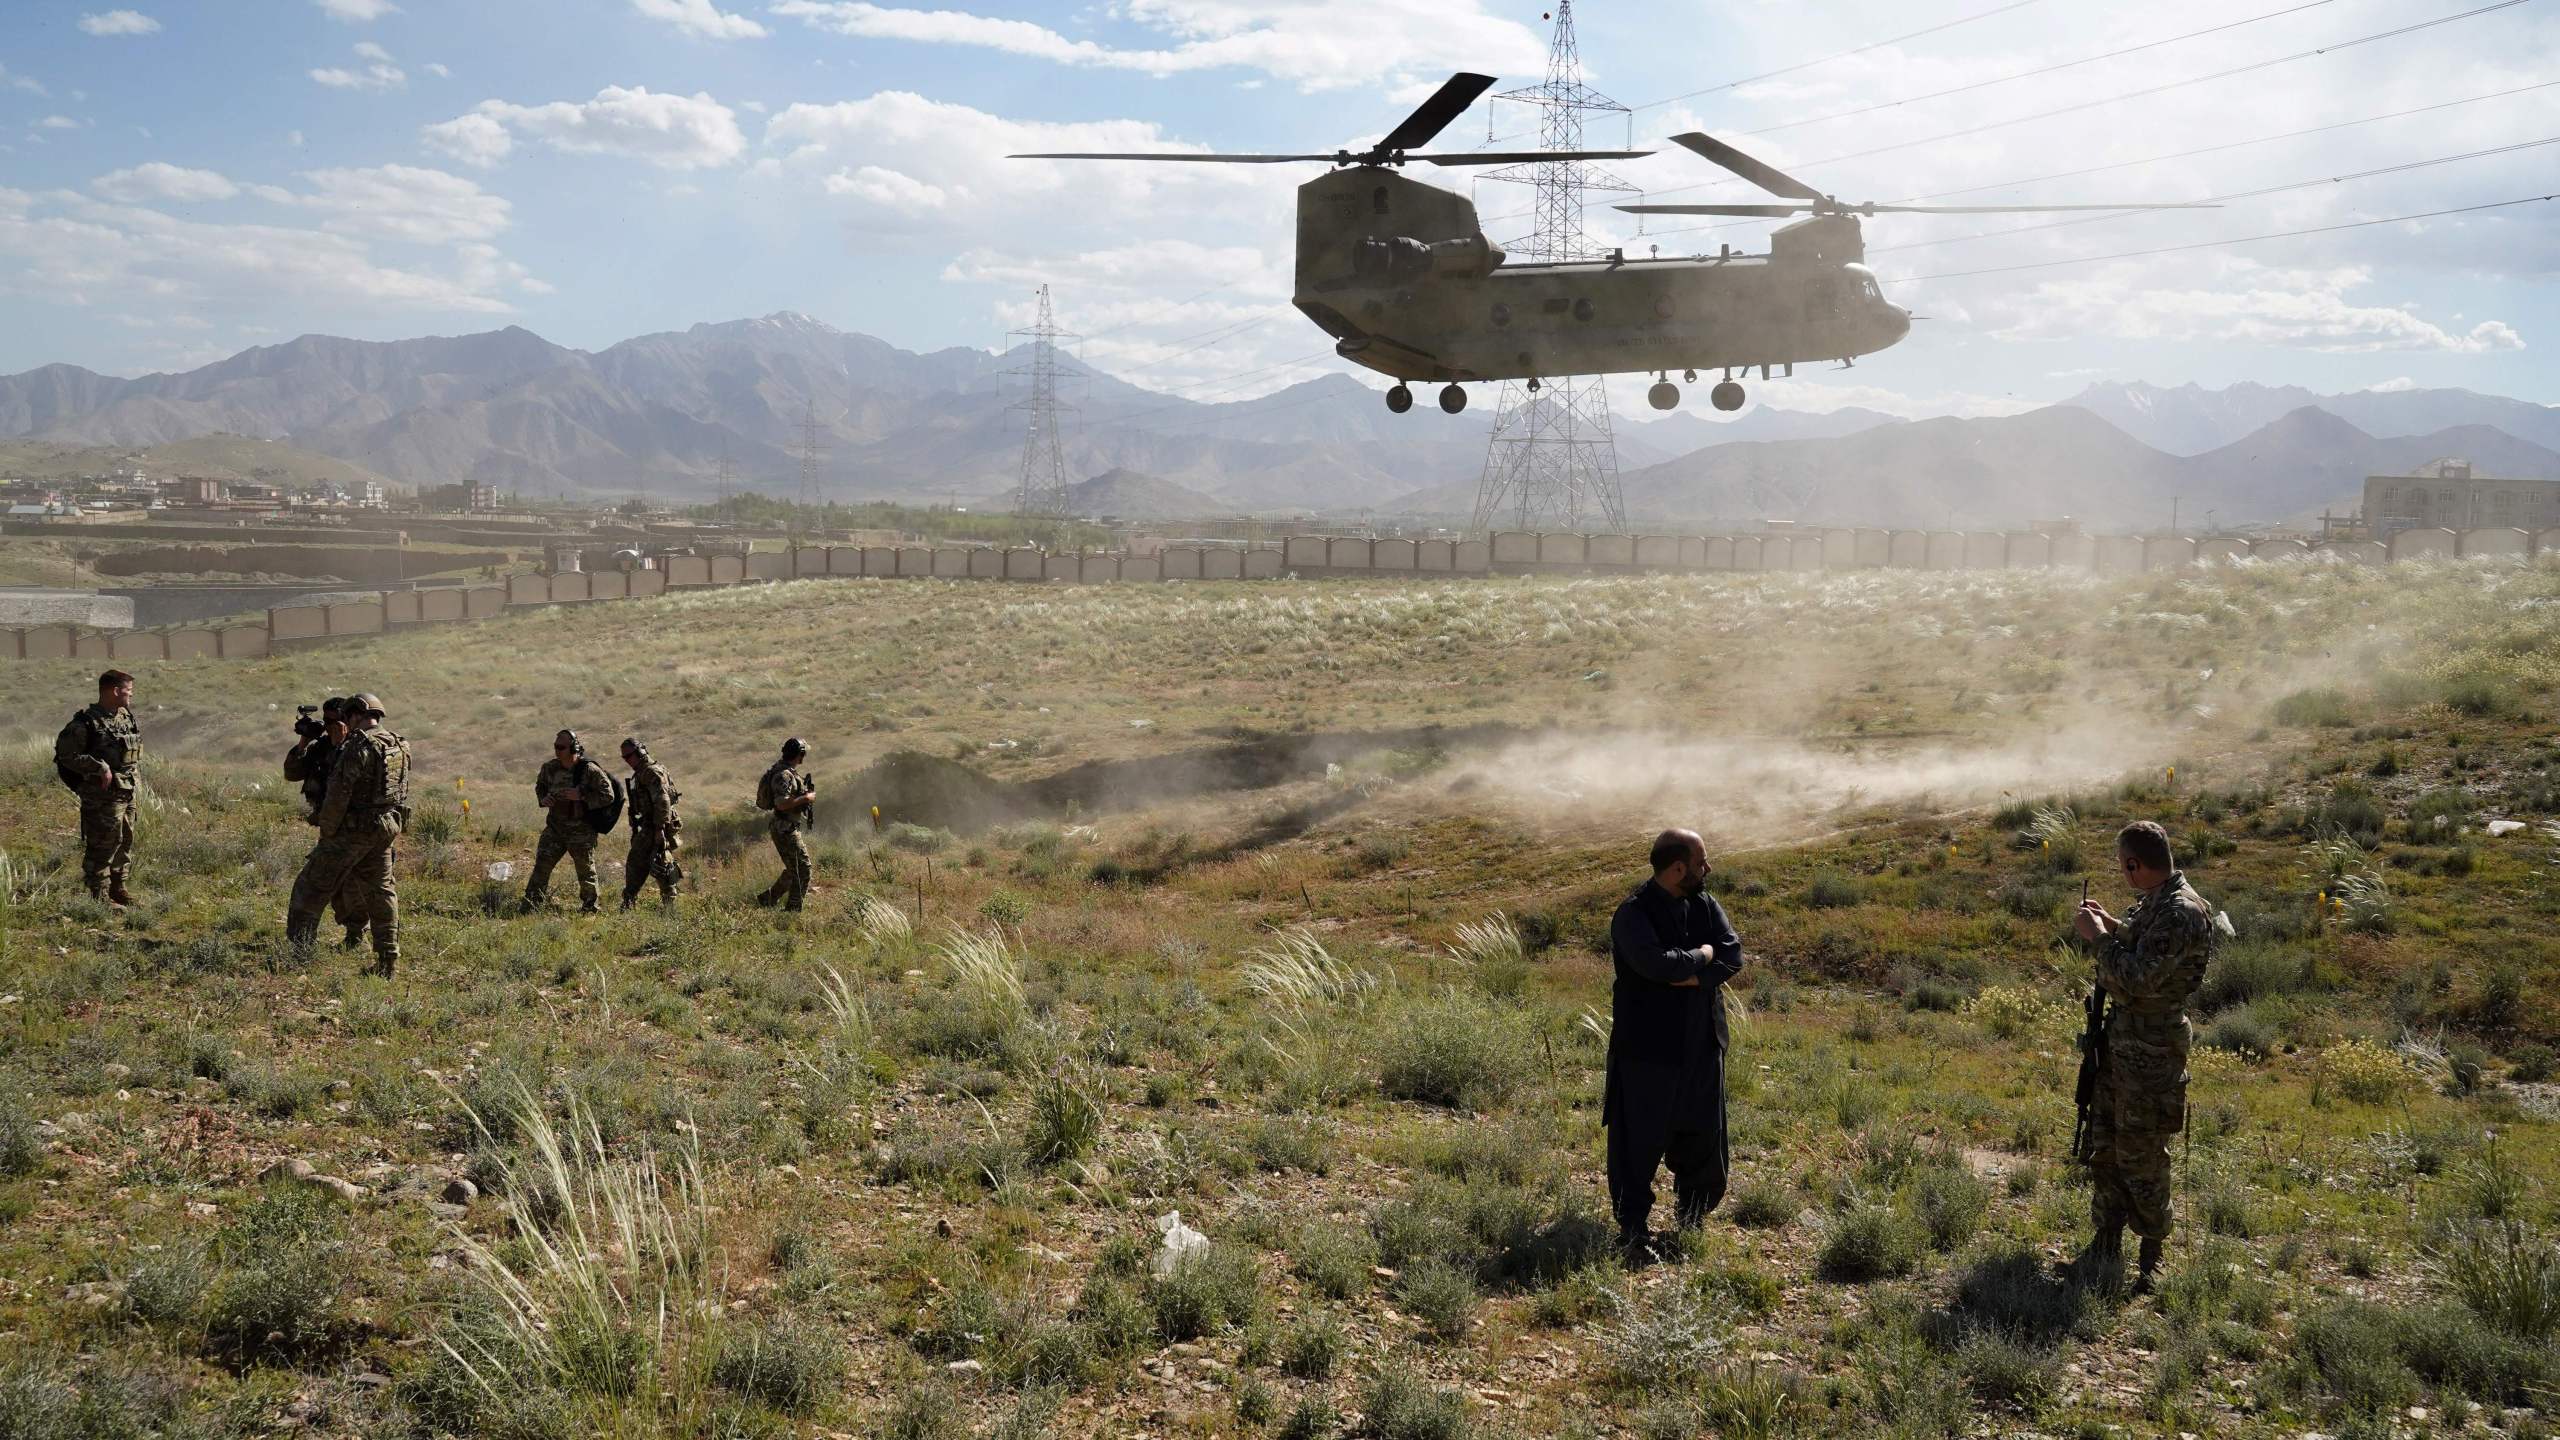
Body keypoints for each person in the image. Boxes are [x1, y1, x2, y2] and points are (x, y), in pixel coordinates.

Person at [2072, 820, 2217, 1294]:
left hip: (2152, 1050)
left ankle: (2152, 1256)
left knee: (2143, 1155)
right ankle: (2105, 1243)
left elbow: (2137, 978)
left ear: (2134, 865)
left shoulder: (2181, 912)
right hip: (2124, 1042)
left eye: (2123, 866)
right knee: (2108, 1143)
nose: (2122, 873)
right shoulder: (2162, 903)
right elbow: (2144, 944)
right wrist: (2114, 926)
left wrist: (2098, 940)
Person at [1605, 828, 1748, 1264]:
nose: (1708, 869)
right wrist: (1702, 958)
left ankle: (1692, 1217)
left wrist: (1687, 974)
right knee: (1639, 1141)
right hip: (1647, 1048)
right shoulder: (1633, 914)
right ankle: (1633, 1228)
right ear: (1677, 868)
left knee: (1703, 1135)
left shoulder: (1704, 902)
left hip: (1702, 1042)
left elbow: (1733, 954)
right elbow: (1655, 964)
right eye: (1701, 862)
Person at [286, 692, 409, 978]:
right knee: (382, 893)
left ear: (354, 714)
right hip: (383, 829)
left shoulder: (357, 745)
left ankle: (297, 957)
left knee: (309, 889)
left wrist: (328, 832)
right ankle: (387, 963)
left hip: (351, 831)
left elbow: (339, 794)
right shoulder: (398, 743)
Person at [284, 698, 369, 951]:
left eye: (338, 721)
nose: (333, 726)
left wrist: (341, 745)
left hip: (354, 829)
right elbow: (291, 773)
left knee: (347, 886)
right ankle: (311, 943)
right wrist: (304, 741)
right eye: (328, 721)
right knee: (339, 886)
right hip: (332, 829)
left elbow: (347, 783)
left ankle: (355, 937)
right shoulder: (322, 747)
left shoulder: (358, 747)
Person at [54, 669, 143, 905]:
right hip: (102, 796)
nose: (130, 696)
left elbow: (132, 756)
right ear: (115, 691)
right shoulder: (85, 723)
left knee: (125, 840)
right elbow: (66, 756)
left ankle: (118, 888)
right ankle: (99, 896)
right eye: (128, 691)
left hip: (127, 791)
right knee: (103, 843)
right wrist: (98, 767)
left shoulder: (126, 717)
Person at [522, 729, 615, 914]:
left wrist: (582, 796)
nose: (557, 750)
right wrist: (543, 799)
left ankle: (590, 908)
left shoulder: (589, 770)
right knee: (542, 865)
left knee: (585, 871)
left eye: (561, 747)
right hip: (555, 828)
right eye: (556, 746)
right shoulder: (549, 768)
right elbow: (540, 787)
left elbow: (608, 796)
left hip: (581, 830)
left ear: (573, 748)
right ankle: (531, 905)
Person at [619, 738, 683, 911]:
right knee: (659, 861)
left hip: (655, 825)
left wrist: (659, 830)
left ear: (640, 752)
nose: (627, 760)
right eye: (624, 758)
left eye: (629, 756)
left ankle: (630, 902)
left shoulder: (650, 772)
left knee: (642, 862)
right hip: (652, 824)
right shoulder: (644, 772)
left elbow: (662, 801)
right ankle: (668, 905)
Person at [754, 736, 817, 910]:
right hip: (785, 828)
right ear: (800, 755)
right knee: (803, 869)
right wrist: (806, 797)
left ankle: (768, 899)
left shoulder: (787, 771)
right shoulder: (784, 774)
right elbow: (782, 803)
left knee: (793, 869)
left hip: (786, 826)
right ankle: (793, 910)